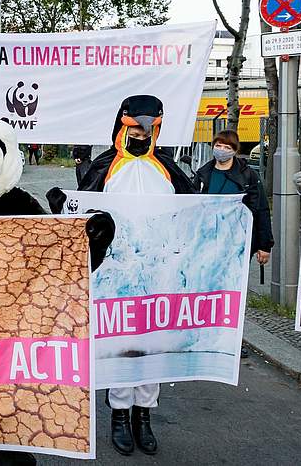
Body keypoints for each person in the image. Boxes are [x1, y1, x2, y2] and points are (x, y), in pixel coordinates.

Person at [75, 95, 194, 456]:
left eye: (151, 127)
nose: (142, 133)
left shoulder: (167, 169)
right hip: (117, 274)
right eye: (136, 125)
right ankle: (120, 415)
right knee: (119, 345)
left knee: (153, 345)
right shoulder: (104, 167)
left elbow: (194, 211)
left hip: (159, 272)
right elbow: (83, 214)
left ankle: (144, 415)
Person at [196, 130, 273, 266]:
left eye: (227, 147)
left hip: (238, 240)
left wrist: (264, 245)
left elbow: (261, 209)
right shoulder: (203, 174)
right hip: (207, 240)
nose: (222, 150)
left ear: (235, 150)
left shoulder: (248, 176)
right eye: (218, 145)